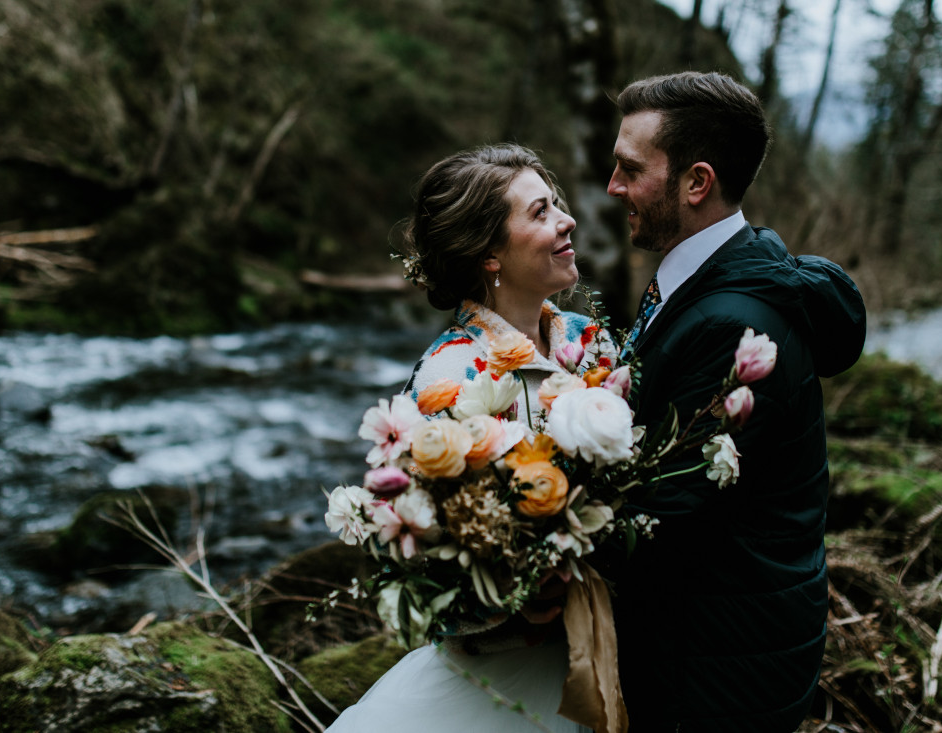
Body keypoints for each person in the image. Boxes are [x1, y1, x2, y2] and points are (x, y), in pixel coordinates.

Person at [603, 71, 867, 732]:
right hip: (718, 636)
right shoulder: (704, 276)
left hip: (715, 668)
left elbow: (660, 518)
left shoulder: (730, 322)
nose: (613, 186)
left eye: (630, 168)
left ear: (696, 183)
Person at [328, 144, 607, 733]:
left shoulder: (592, 344)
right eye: (539, 212)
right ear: (489, 255)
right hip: (507, 671)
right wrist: (513, 600)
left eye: (555, 203)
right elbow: (412, 553)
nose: (567, 219)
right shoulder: (449, 379)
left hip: (602, 639)